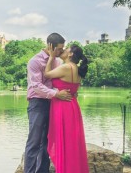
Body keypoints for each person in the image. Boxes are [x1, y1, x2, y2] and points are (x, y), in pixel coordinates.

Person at [24, 33, 72, 173]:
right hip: (37, 104)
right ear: (50, 46)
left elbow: (57, 82)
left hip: (53, 104)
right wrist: (56, 93)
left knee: (47, 141)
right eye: (59, 49)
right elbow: (36, 86)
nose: (61, 52)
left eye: (62, 49)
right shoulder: (35, 61)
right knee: (34, 141)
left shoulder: (57, 61)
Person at [44, 44, 89, 173]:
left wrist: (51, 58)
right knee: (72, 142)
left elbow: (46, 74)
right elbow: (74, 92)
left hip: (62, 107)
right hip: (73, 106)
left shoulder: (66, 67)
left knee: (64, 141)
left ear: (70, 54)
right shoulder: (77, 69)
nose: (64, 50)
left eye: (67, 48)